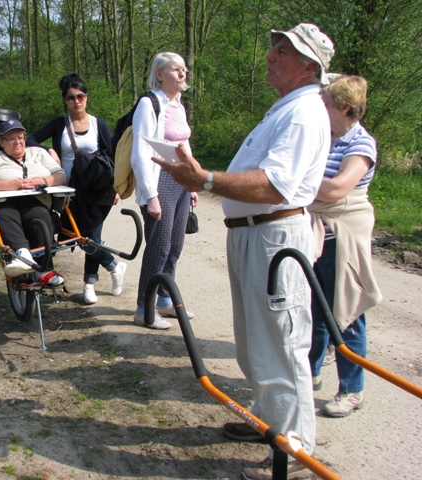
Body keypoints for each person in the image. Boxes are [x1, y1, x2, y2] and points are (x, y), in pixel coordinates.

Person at [152, 24, 334, 480]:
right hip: (254, 233)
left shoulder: (304, 113)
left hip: (274, 236)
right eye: (273, 48)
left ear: (308, 66)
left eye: (281, 51)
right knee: (255, 343)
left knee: (281, 343)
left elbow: (277, 185)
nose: (270, 57)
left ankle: (293, 453)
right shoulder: (286, 108)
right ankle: (269, 424)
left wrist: (207, 180)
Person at [308, 74, 382, 417]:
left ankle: (352, 389)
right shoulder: (328, 138)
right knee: (316, 309)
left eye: (327, 104)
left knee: (348, 314)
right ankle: (311, 371)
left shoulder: (361, 144)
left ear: (346, 108)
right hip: (317, 232)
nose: (321, 108)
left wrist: (297, 178)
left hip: (343, 236)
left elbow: (338, 189)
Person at [28, 73, 126, 304]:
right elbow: (30, 139)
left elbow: (112, 158)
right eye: (71, 97)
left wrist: (117, 188)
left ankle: (89, 284)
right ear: (65, 100)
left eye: (80, 95)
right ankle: (114, 266)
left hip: (97, 189)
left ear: (86, 97)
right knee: (77, 236)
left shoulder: (98, 124)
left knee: (92, 235)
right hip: (67, 190)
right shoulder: (59, 125)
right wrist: (48, 151)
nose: (76, 101)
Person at [131, 52, 198, 330]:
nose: (182, 74)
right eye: (175, 70)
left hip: (181, 181)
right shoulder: (149, 104)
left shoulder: (178, 105)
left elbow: (183, 144)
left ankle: (164, 299)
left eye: (184, 70)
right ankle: (143, 308)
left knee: (175, 246)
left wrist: (193, 181)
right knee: (158, 247)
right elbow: (140, 152)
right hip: (160, 182)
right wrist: (151, 194)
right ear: (160, 74)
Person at [0, 119, 67, 283]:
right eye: (11, 138)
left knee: (41, 216)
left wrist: (43, 181)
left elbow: (61, 176)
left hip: (35, 201)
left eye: (21, 137)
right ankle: (22, 256)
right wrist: (11, 185)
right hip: (4, 202)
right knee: (4, 213)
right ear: (1, 142)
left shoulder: (38, 153)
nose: (18, 142)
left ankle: (44, 271)